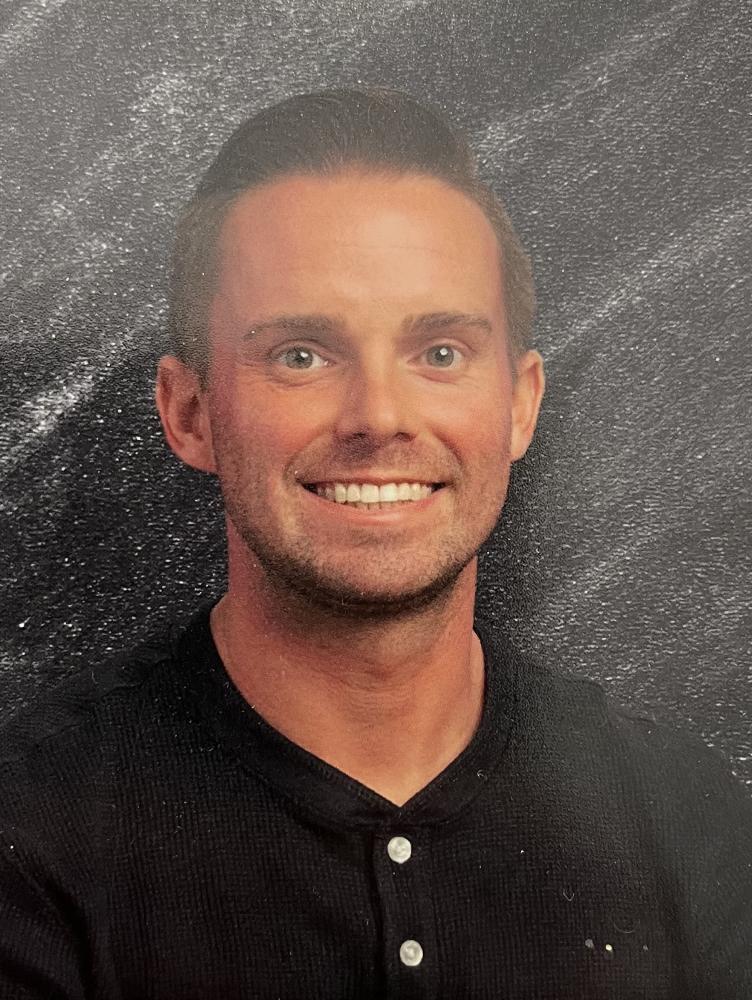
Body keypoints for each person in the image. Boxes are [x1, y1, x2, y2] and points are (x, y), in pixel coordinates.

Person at [0, 86, 750, 1000]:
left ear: (520, 405)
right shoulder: (31, 842)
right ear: (189, 413)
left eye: (439, 353)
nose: (380, 417)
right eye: (302, 355)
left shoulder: (696, 832)